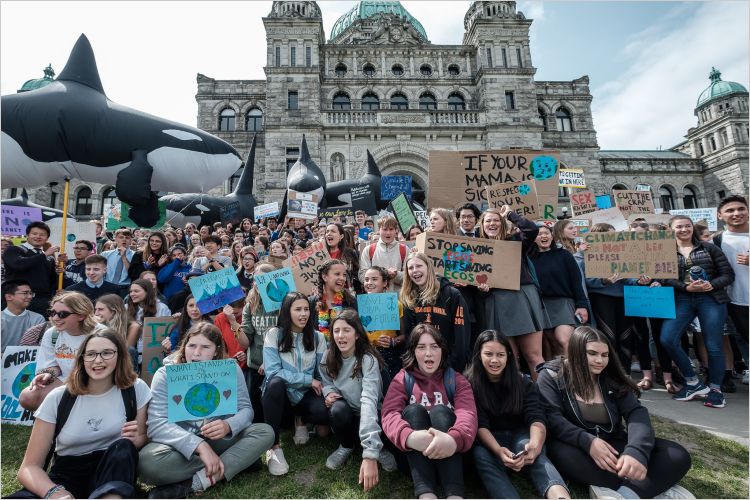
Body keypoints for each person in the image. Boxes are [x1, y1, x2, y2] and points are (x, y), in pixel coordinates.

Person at [537, 327, 693, 499]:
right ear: (576, 352)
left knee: (678, 455)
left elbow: (636, 413)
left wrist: (635, 451)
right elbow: (553, 419)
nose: (600, 360)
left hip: (614, 445)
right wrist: (588, 442)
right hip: (577, 446)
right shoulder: (552, 375)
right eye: (592, 353)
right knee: (559, 452)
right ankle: (649, 487)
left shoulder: (611, 377)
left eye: (605, 355)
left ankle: (626, 493)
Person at [138, 322, 274, 498]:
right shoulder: (164, 375)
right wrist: (199, 445)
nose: (196, 353)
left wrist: (228, 425)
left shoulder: (231, 369)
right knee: (146, 462)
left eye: (205, 347)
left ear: (216, 350)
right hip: (181, 449)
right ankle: (238, 460)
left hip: (221, 439)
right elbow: (157, 425)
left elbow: (246, 410)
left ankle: (197, 482)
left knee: (265, 432)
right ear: (184, 346)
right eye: (192, 345)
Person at [13, 329, 150, 499]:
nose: (98, 360)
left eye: (107, 353)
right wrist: (55, 493)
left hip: (113, 471)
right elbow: (28, 468)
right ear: (82, 359)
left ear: (120, 355)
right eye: (91, 354)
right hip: (67, 474)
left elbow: (141, 438)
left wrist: (138, 439)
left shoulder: (136, 389)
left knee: (123, 447)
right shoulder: (58, 397)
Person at [465, 330, 569, 499]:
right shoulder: (469, 384)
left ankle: (559, 495)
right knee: (481, 456)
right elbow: (480, 424)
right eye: (488, 354)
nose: (494, 360)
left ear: (508, 356)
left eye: (500, 355)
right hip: (489, 439)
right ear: (478, 355)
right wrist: (498, 450)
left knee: (529, 448)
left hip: (519, 433)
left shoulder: (523, 381)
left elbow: (536, 416)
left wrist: (535, 445)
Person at [381, 324, 478, 499]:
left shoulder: (456, 380)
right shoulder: (403, 378)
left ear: (442, 350)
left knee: (440, 411)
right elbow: (389, 413)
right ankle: (426, 494)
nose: (428, 353)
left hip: (452, 454)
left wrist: (453, 440)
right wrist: (409, 437)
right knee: (413, 411)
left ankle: (455, 494)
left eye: (434, 346)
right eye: (421, 347)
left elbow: (468, 415)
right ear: (413, 352)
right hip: (416, 455)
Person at [658, 215, 735, 408]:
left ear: (692, 227)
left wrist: (711, 284)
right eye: (679, 227)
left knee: (713, 344)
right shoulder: (665, 252)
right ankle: (693, 382)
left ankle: (716, 390)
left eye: (687, 226)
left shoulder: (709, 248)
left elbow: (728, 275)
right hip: (683, 298)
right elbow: (665, 278)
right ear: (671, 230)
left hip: (711, 298)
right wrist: (685, 288)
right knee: (667, 338)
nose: (683, 229)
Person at [319, 310, 397, 488]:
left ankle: (377, 446)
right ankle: (346, 446)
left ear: (357, 334)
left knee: (378, 416)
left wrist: (371, 450)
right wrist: (329, 392)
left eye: (346, 330)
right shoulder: (328, 355)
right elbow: (325, 380)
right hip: (349, 412)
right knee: (337, 410)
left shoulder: (368, 359)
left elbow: (369, 400)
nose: (341, 335)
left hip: (373, 414)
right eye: (336, 331)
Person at [262, 292, 329, 476]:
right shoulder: (274, 334)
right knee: (274, 383)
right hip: (280, 397)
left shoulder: (317, 337)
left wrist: (325, 390)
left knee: (324, 412)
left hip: (304, 396)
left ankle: (301, 420)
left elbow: (321, 372)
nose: (303, 314)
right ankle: (274, 446)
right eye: (297, 309)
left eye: (306, 309)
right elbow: (273, 372)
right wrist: (307, 380)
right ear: (286, 311)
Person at [478, 206, 547, 378]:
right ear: (482, 225)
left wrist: (509, 214)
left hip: (522, 297)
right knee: (509, 358)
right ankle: (515, 400)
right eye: (488, 221)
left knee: (533, 355)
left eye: (496, 220)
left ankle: (546, 399)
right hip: (497, 301)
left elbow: (532, 229)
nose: (492, 224)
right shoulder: (476, 249)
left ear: (502, 223)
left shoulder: (516, 241)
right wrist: (483, 289)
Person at [19, 291, 107, 412]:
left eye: (62, 314)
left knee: (74, 397)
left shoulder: (101, 334)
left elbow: (106, 371)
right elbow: (51, 366)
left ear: (81, 315)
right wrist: (48, 374)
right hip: (66, 380)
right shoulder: (52, 333)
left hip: (95, 381)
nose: (55, 318)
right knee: (28, 397)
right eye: (52, 312)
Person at [401, 252, 470, 371]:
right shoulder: (409, 298)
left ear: (428, 267)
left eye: (419, 266)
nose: (414, 270)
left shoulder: (452, 295)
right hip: (421, 367)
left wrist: (453, 366)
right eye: (410, 268)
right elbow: (409, 337)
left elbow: (461, 337)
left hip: (449, 367)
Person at [530, 225, 590, 356]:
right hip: (540, 305)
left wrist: (582, 305)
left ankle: (573, 374)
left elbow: (576, 281)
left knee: (564, 340)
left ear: (552, 236)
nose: (544, 236)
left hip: (563, 303)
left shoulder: (564, 255)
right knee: (551, 345)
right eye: (539, 234)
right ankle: (558, 374)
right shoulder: (529, 258)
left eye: (546, 233)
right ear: (533, 238)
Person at [716, 195, 749, 384]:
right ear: (720, 215)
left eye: (741, 209)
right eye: (730, 210)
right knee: (743, 338)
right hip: (737, 300)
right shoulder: (717, 240)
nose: (736, 213)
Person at [241, 263, 280, 421]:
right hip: (255, 365)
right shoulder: (250, 306)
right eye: (256, 279)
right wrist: (233, 324)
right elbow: (245, 342)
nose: (258, 283)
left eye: (263, 279)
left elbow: (286, 335)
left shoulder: (282, 303)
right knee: (255, 406)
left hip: (277, 363)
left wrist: (269, 361)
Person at [2, 221, 59, 316]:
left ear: (47, 238)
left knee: (40, 329)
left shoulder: (50, 258)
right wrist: (44, 255)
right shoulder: (13, 250)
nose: (38, 237)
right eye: (34, 233)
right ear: (27, 235)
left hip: (42, 302)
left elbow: (52, 283)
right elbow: (19, 265)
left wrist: (60, 272)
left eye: (42, 234)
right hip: (17, 299)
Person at [362, 266, 404, 378]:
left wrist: (393, 341)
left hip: (389, 357)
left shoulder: (395, 304)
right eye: (366, 279)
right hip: (365, 354)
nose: (369, 283)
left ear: (385, 283)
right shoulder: (360, 305)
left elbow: (405, 335)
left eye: (374, 279)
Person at [125, 279, 171, 371]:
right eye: (131, 291)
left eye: (136, 291)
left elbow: (167, 330)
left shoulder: (162, 308)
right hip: (130, 355)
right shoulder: (125, 308)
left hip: (153, 355)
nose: (132, 294)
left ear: (147, 292)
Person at [310, 259, 358, 340]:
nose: (342, 278)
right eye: (337, 274)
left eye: (344, 275)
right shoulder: (311, 302)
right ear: (324, 277)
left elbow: (357, 330)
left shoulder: (350, 301)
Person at [359, 215, 408, 292]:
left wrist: (396, 275)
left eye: (391, 229)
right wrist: (383, 274)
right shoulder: (368, 250)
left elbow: (410, 276)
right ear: (379, 230)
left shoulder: (404, 249)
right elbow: (362, 275)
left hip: (399, 299)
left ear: (396, 231)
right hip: (375, 299)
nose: (388, 233)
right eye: (384, 229)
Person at [2, 279, 45, 353]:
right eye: (25, 293)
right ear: (9, 297)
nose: (30, 296)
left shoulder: (38, 318)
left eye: (31, 293)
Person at [214, 298, 250, 373]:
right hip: (229, 366)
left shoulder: (247, 316)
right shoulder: (219, 319)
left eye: (236, 313)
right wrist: (227, 358)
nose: (233, 315)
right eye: (231, 313)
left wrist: (247, 354)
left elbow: (249, 342)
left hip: (247, 366)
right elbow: (218, 344)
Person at [324, 222, 362, 292]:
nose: (329, 234)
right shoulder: (321, 254)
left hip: (346, 296)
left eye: (333, 231)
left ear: (341, 236)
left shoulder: (351, 253)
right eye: (327, 231)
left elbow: (357, 276)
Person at [101, 228, 135, 298]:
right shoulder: (105, 255)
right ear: (115, 239)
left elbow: (133, 273)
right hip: (108, 287)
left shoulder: (135, 255)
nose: (124, 239)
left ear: (131, 240)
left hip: (125, 288)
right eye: (121, 237)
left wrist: (124, 257)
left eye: (127, 238)